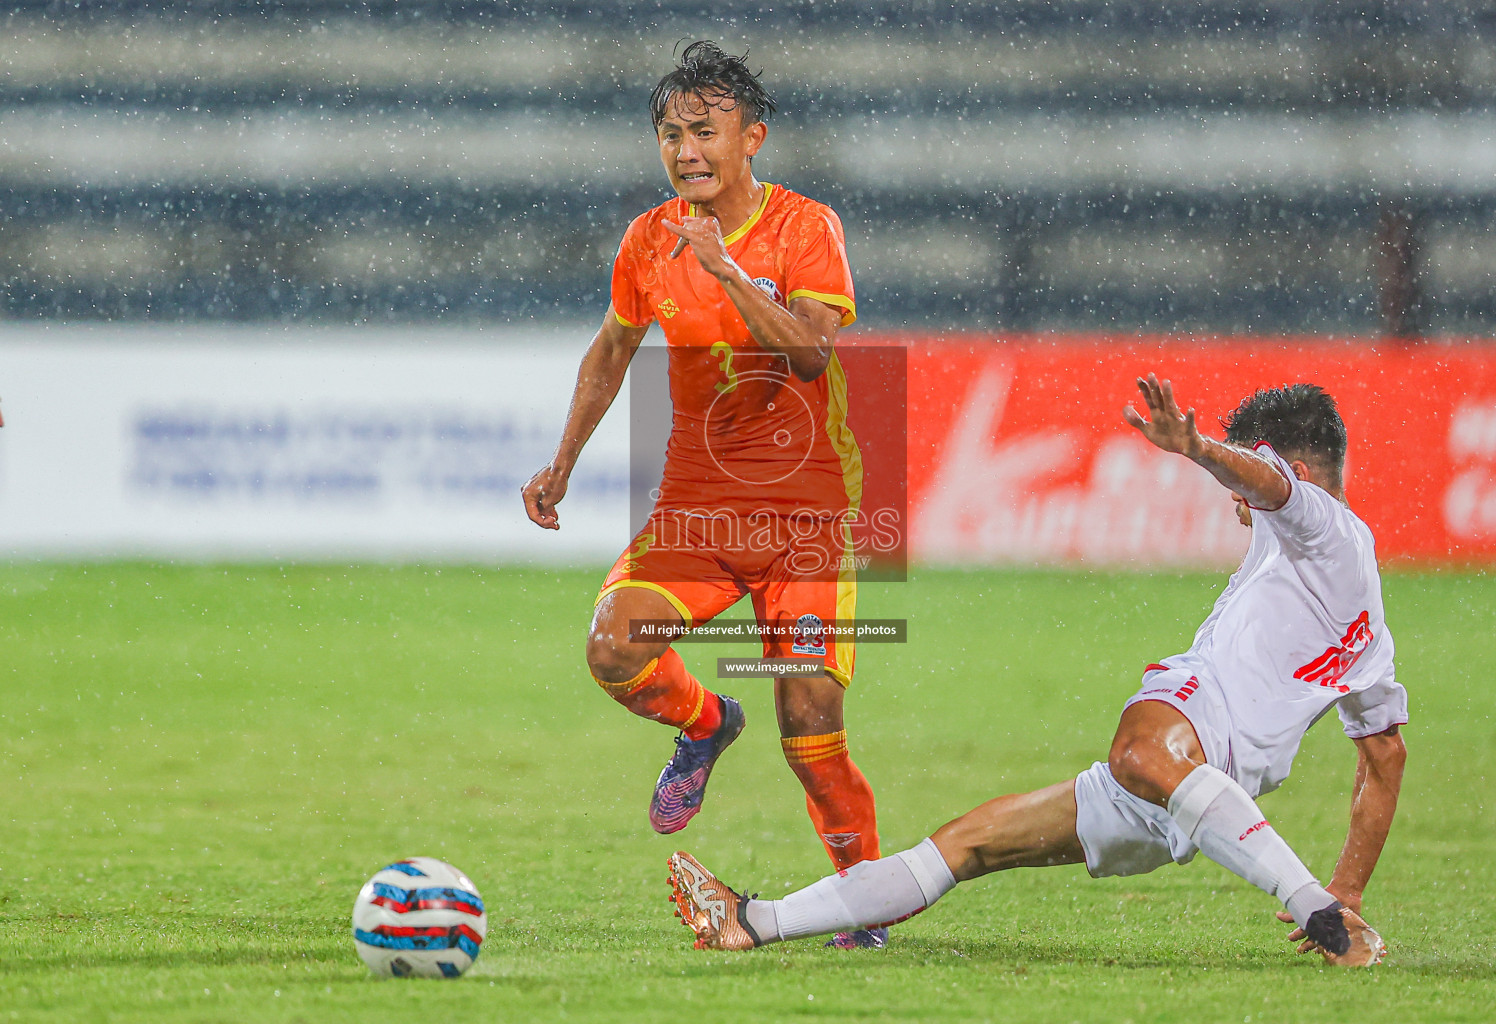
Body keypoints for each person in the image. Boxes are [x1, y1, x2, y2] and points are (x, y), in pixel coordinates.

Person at [667, 376, 1408, 967]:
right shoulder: (1364, 616)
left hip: (1189, 736)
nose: (1236, 504)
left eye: (1244, 488)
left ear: (1296, 471)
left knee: (1139, 746)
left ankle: (1308, 904)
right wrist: (1352, 886)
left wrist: (1197, 448)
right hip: (1195, 796)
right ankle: (754, 921)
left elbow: (1271, 483)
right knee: (965, 844)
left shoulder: (1320, 519)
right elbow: (1384, 756)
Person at [521, 42, 888, 947]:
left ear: (751, 138)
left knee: (810, 721)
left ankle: (866, 903)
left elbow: (808, 356)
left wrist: (725, 268)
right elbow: (612, 350)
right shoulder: (648, 239)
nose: (686, 150)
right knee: (614, 645)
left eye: (704, 131)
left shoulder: (805, 228)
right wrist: (562, 461)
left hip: (805, 515)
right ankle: (705, 722)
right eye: (671, 133)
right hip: (697, 507)